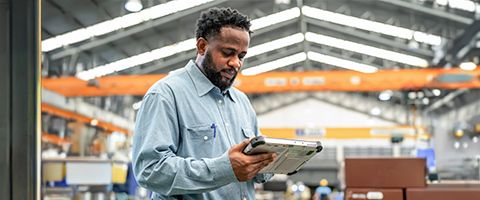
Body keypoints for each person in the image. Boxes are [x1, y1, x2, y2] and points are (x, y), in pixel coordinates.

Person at [132, 7, 276, 200]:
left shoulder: (241, 102)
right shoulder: (166, 95)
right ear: (201, 46)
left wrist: (269, 162)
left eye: (241, 56)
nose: (236, 63)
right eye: (228, 53)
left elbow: (249, 172)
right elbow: (150, 170)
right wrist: (225, 169)